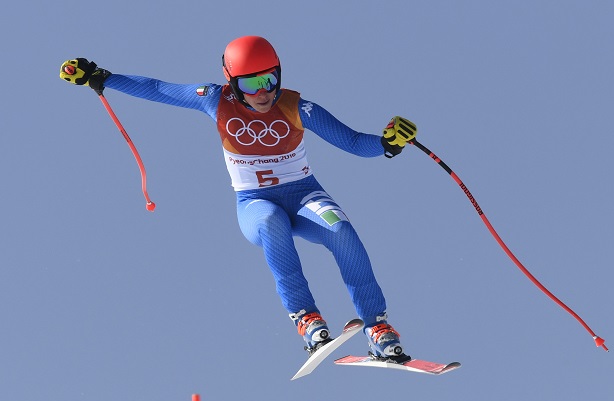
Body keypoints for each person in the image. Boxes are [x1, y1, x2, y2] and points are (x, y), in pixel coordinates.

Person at [60, 36, 417, 362]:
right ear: (233, 82)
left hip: (305, 195)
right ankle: (306, 318)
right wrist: (102, 77)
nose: (263, 92)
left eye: (270, 80)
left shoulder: (296, 106)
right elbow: (159, 88)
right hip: (255, 203)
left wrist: (387, 143)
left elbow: (353, 142)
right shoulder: (215, 99)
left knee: (342, 233)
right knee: (270, 224)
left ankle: (378, 327)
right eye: (251, 83)